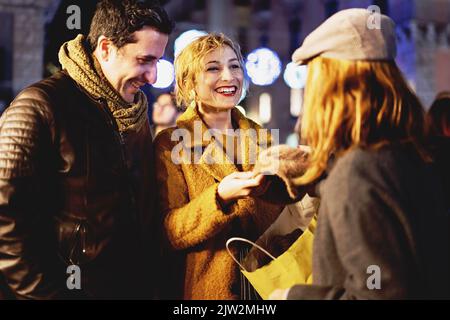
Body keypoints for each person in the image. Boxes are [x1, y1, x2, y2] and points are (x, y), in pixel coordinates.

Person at [268, 8, 449, 299]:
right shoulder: (414, 152)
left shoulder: (358, 172)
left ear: (334, 84)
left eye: (315, 75)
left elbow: (382, 293)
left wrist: (293, 296)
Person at [0, 0, 173, 299]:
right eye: (145, 60)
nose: (153, 77)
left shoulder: (133, 111)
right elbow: (6, 221)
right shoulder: (40, 105)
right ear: (106, 48)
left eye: (157, 61)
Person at [154, 33, 283, 300]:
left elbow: (286, 221)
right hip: (209, 292)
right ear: (189, 83)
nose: (229, 76)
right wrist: (220, 197)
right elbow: (169, 231)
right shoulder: (170, 143)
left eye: (235, 66)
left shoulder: (263, 138)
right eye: (213, 68)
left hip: (270, 287)